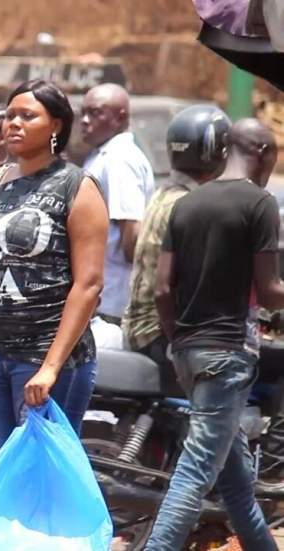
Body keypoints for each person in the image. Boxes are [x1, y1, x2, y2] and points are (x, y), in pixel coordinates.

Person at [0, 79, 109, 463]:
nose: (13, 123)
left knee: (42, 470)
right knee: (0, 467)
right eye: (10, 115)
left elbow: (89, 285)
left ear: (56, 126)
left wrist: (50, 368)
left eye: (27, 116)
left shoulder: (76, 187)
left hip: (47, 356)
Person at [148, 117, 280, 550]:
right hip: (227, 354)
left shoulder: (186, 203)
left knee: (236, 479)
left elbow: (162, 287)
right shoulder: (260, 204)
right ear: (262, 153)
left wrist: (178, 341)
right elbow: (269, 291)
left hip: (188, 352)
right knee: (196, 472)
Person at [123, 105, 229, 369]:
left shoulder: (164, 195)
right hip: (159, 336)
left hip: (139, 330)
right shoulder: (191, 205)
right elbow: (173, 288)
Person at [80, 83, 155, 326]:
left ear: (119, 117)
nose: (84, 120)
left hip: (111, 300)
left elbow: (131, 231)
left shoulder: (119, 159)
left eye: (95, 112)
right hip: (100, 295)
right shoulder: (102, 155)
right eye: (84, 112)